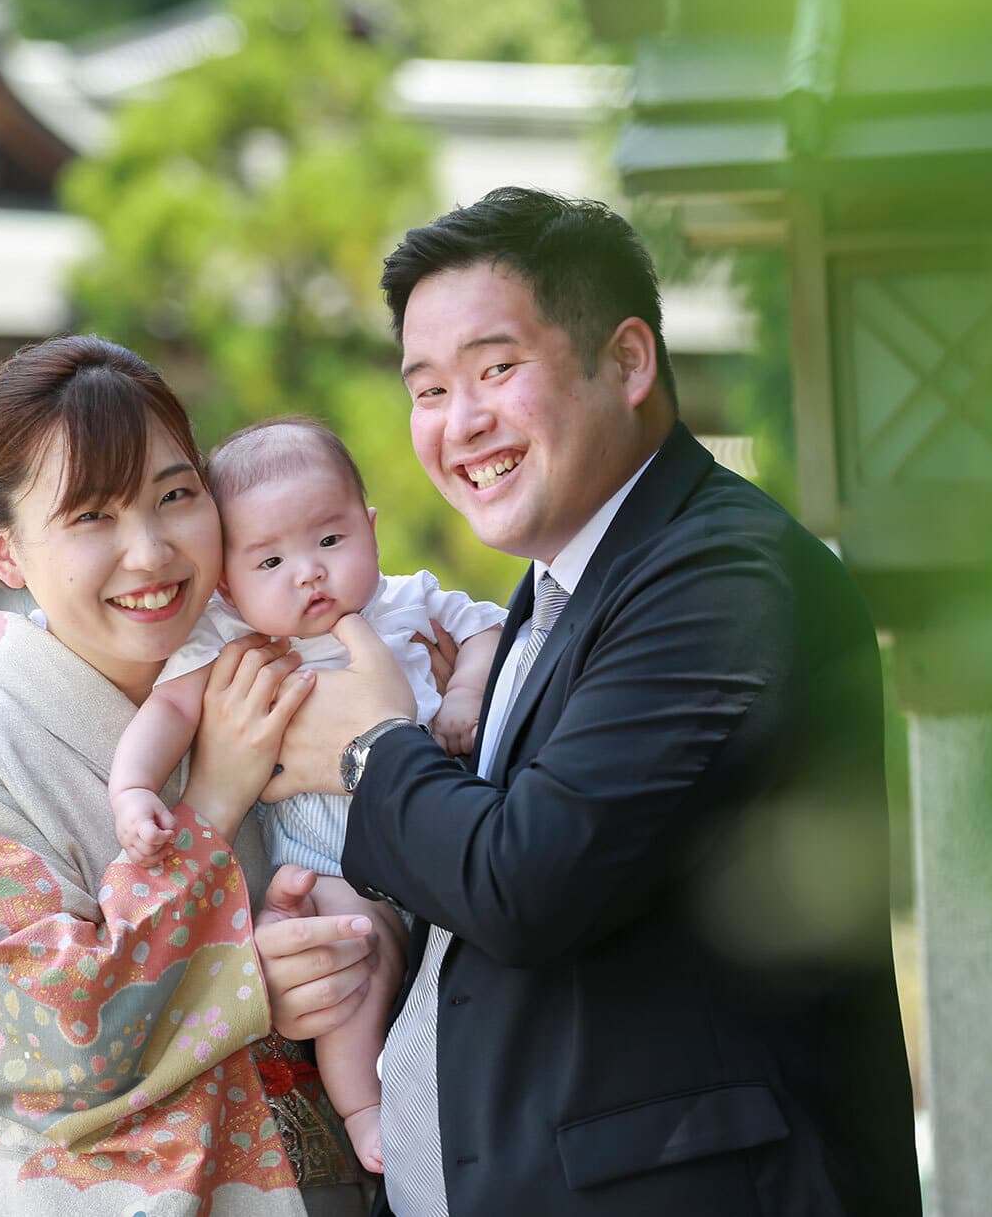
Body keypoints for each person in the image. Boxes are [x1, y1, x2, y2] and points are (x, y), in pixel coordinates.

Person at [258, 187, 922, 1216]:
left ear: (625, 360)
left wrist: (368, 750)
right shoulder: (552, 592)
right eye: (427, 389)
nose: (458, 423)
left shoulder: (719, 577)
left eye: (495, 369)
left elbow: (531, 875)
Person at [0, 336, 400, 1215]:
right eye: (90, 515)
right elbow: (43, 1040)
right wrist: (215, 809)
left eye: (176, 496)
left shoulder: (275, 662)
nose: (150, 552)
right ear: (1, 548)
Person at [108, 415, 506, 1172]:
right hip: (332, 870)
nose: (309, 573)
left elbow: (490, 629)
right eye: (271, 560)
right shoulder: (231, 642)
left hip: (443, 838)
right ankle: (364, 1110)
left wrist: (465, 692)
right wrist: (133, 789)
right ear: (227, 581)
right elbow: (169, 710)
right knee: (348, 958)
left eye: (330, 540)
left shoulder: (409, 602)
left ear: (372, 529)